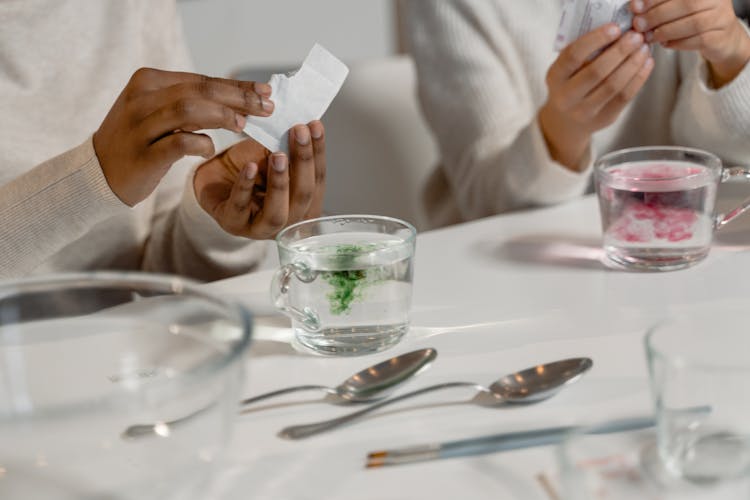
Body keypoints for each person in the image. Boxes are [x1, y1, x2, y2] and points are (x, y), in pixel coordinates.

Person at [0, 0, 326, 281]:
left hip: (128, 347)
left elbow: (155, 277)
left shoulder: (131, 8)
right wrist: (92, 179)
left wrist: (214, 219)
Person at [405, 0, 750, 229]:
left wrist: (733, 55)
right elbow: (486, 205)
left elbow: (730, 159)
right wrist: (563, 128)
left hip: (678, 244)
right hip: (514, 272)